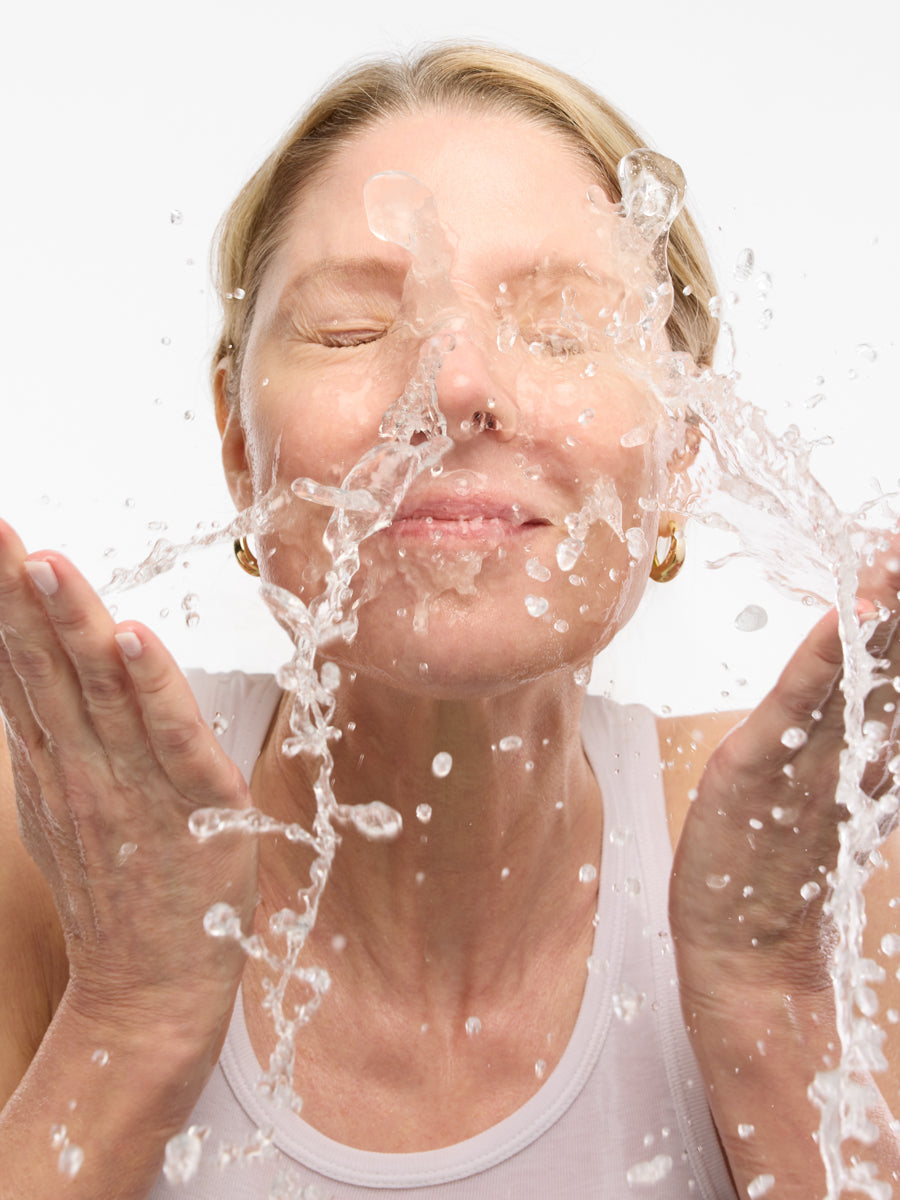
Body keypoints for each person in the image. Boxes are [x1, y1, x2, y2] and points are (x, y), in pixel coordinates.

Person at [0, 42, 898, 1200]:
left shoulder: (834, 870)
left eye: (564, 330)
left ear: (682, 445)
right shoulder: (51, 854)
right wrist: (131, 1008)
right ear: (239, 444)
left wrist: (770, 993)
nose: (452, 385)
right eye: (349, 332)